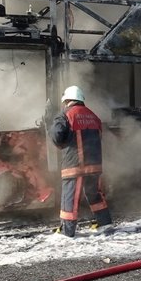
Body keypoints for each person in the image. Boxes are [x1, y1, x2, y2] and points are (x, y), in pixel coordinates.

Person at [50, 85, 112, 237]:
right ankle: (105, 223)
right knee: (94, 194)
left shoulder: (66, 115)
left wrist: (61, 143)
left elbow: (57, 136)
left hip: (75, 165)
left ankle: (67, 231)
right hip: (94, 165)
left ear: (68, 100)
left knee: (70, 197)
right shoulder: (93, 116)